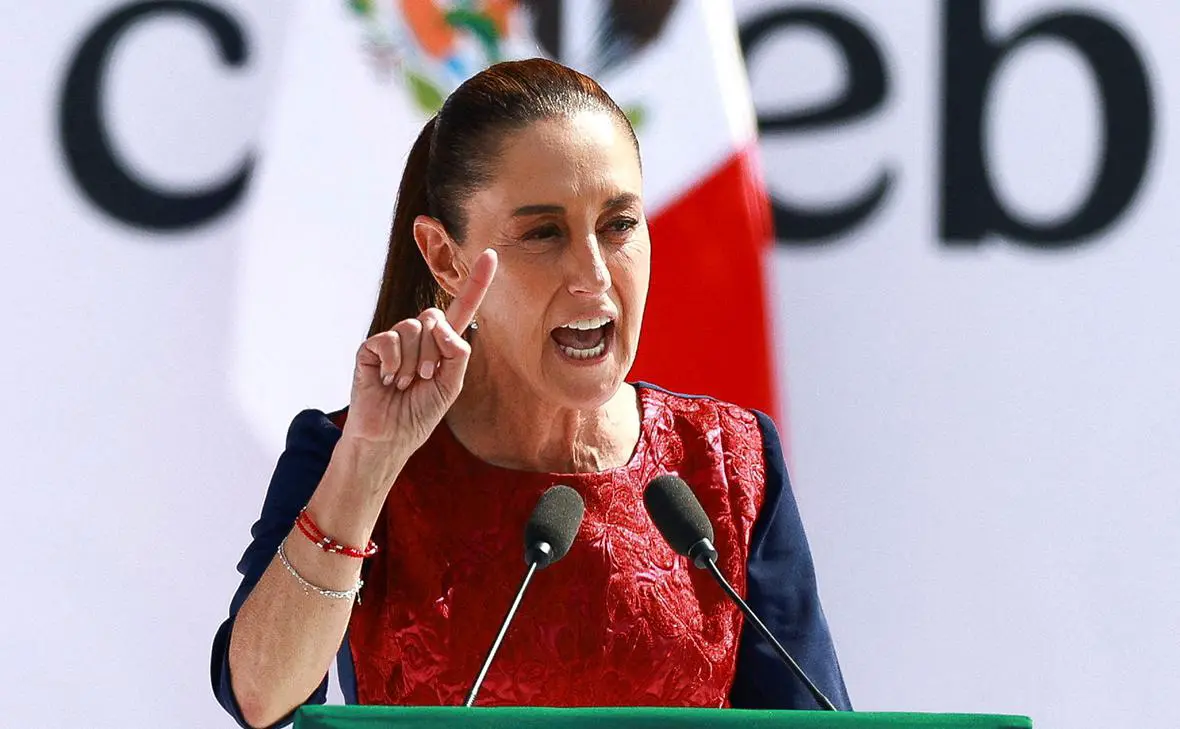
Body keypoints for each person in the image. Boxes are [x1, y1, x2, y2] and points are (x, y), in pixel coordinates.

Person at [211, 58, 850, 729]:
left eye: (619, 224)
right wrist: (370, 463)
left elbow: (816, 719)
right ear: (446, 258)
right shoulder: (348, 452)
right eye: (544, 233)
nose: (592, 274)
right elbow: (261, 698)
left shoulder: (728, 461)